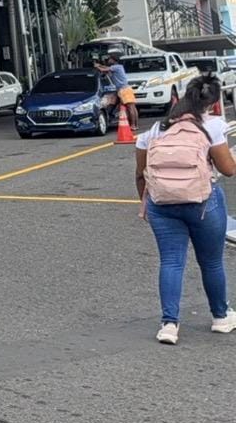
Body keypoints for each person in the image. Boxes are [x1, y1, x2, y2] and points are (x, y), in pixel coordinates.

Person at [135, 74, 236, 344]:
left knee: (171, 261)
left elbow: (140, 174)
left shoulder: (155, 129)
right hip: (202, 203)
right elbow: (228, 169)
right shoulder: (212, 126)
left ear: (181, 97)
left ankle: (169, 325)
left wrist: (148, 203)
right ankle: (221, 316)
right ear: (212, 103)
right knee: (211, 262)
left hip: (162, 204)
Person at [94, 50, 137, 135]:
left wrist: (97, 66)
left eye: (110, 59)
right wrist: (100, 65)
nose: (108, 60)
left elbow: (105, 69)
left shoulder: (117, 67)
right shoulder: (117, 67)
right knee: (131, 107)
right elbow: (105, 69)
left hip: (124, 89)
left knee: (130, 107)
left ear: (113, 60)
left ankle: (133, 125)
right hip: (123, 89)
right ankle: (134, 125)